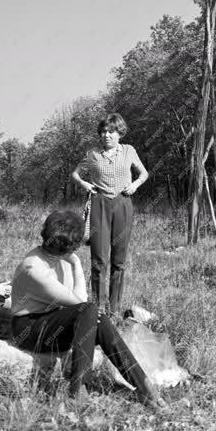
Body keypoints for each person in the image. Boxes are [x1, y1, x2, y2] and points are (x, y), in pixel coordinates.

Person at [10, 210, 162, 406]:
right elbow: (80, 302)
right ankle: (80, 389)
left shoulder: (59, 259)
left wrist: (71, 262)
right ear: (70, 247)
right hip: (29, 328)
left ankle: (142, 385)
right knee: (90, 311)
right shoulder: (34, 268)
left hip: (53, 320)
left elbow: (80, 305)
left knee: (101, 321)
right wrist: (76, 263)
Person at [71, 113, 148, 317]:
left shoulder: (129, 151)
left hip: (123, 203)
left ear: (119, 133)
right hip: (99, 204)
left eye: (111, 131)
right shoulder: (92, 154)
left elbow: (144, 173)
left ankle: (114, 309)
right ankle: (98, 307)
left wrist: (135, 185)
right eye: (103, 131)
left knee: (119, 259)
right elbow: (75, 174)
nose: (106, 135)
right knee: (98, 258)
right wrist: (84, 183)